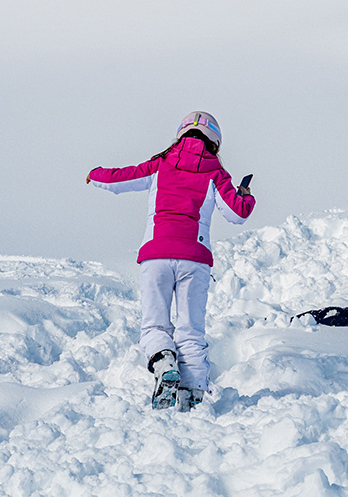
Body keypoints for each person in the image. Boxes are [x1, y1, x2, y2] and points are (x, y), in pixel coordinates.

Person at [86, 111, 255, 410]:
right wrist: (245, 194)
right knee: (190, 330)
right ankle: (193, 396)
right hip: (194, 260)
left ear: (181, 135)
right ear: (215, 142)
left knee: (155, 327)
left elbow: (120, 179)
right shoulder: (217, 174)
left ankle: (164, 364)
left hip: (156, 256)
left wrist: (96, 174)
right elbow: (237, 213)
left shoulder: (161, 164)